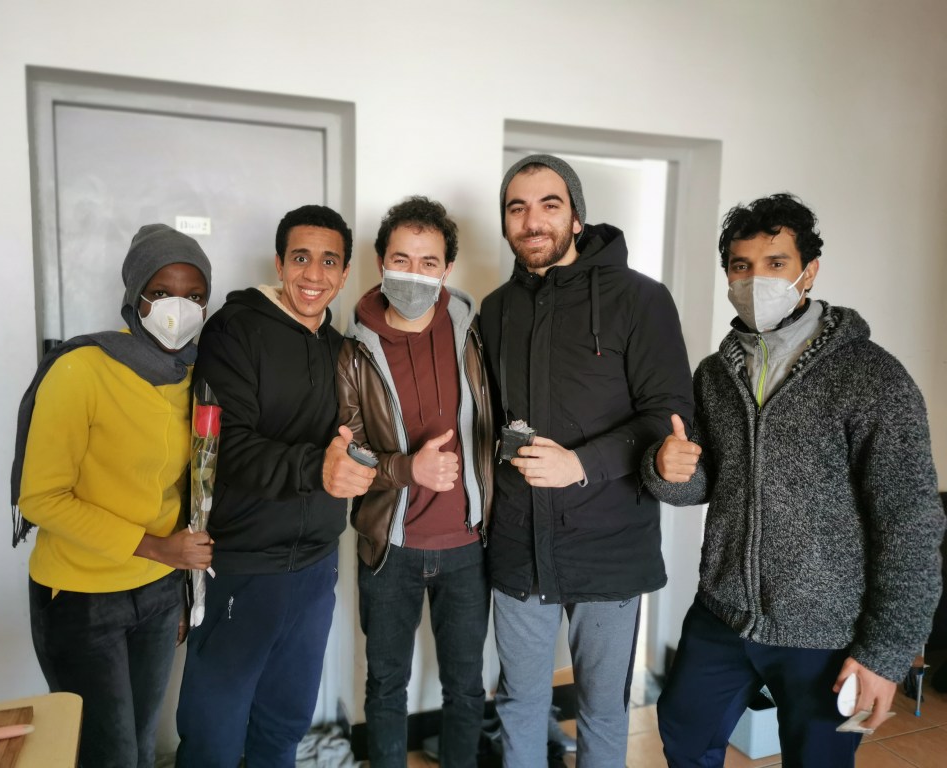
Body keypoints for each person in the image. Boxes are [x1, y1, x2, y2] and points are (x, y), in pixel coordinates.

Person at [641, 193, 944, 767]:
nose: (756, 279)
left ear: (809, 271)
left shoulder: (872, 376)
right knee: (683, 732)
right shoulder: (715, 373)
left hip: (824, 630)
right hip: (723, 611)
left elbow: (911, 524)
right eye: (741, 266)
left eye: (775, 263)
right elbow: (702, 483)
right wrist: (665, 468)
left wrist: (885, 652)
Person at [479, 154, 694, 767]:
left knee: (602, 708)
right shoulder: (495, 310)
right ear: (506, 222)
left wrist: (580, 464)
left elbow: (668, 415)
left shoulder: (641, 299)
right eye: (517, 208)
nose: (532, 220)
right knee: (519, 703)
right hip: (519, 545)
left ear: (576, 217)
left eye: (549, 204)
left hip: (610, 548)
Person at [175, 205, 375, 768]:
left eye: (329, 261)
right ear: (280, 263)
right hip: (242, 564)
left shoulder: (340, 348)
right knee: (213, 735)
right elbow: (224, 448)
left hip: (315, 567)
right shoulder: (234, 330)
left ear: (344, 273)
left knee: (284, 727)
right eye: (301, 258)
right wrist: (317, 469)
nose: (313, 274)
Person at [12, 223, 215, 768]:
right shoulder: (81, 369)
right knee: (110, 757)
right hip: (81, 597)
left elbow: (184, 485)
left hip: (158, 590)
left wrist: (178, 586)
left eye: (195, 296)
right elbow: (41, 498)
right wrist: (158, 548)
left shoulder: (194, 376)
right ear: (136, 296)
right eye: (163, 292)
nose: (179, 308)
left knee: (142, 747)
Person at [336, 196, 494, 766]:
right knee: (385, 688)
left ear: (447, 268)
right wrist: (408, 469)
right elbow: (349, 453)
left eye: (429, 262)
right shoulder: (353, 350)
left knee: (466, 688)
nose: (414, 273)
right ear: (381, 262)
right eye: (401, 260)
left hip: (468, 548)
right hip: (390, 550)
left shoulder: (473, 333)